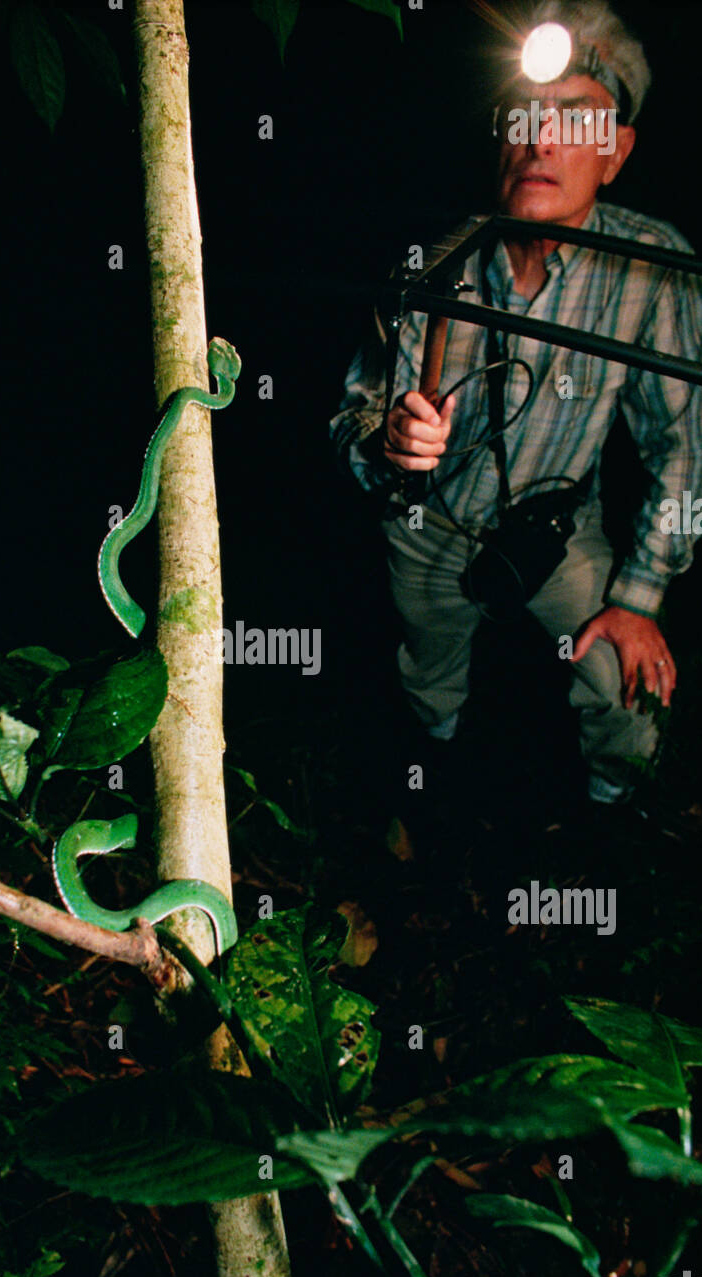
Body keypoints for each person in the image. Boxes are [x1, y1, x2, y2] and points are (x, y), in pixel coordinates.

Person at [330, 0, 702, 820]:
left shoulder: (654, 264)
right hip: (429, 528)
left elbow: (682, 448)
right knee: (424, 677)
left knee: (620, 685)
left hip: (560, 530)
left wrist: (640, 595)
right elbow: (348, 419)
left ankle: (616, 821)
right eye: (524, 116)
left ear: (615, 155)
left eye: (575, 121)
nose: (541, 140)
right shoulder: (432, 263)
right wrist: (388, 444)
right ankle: (431, 790)